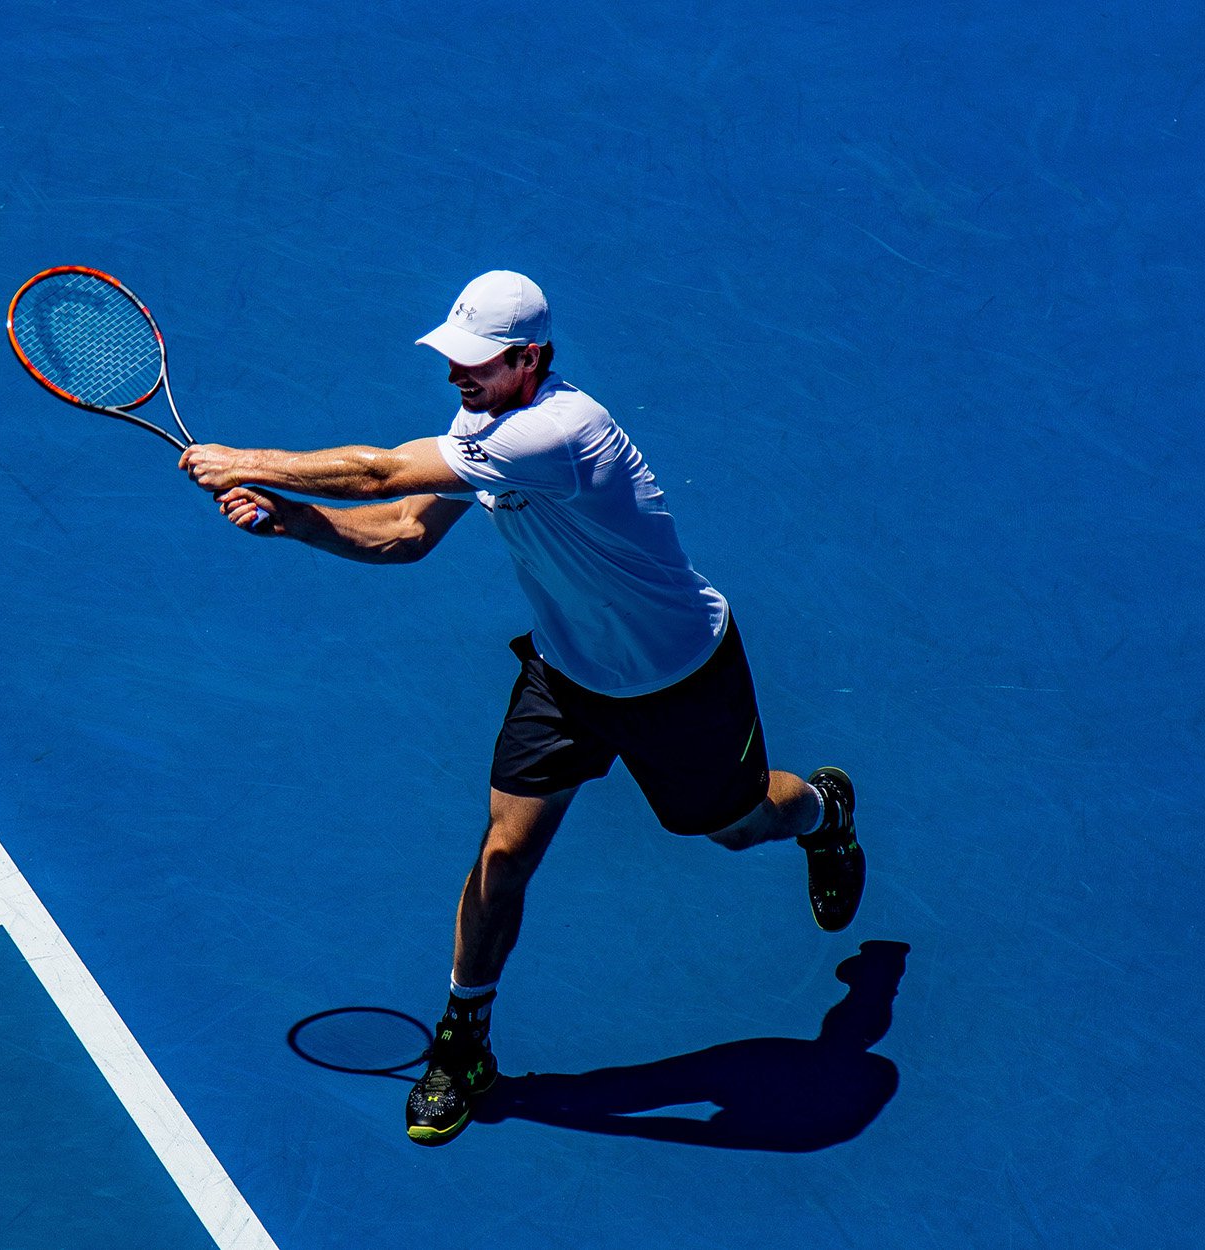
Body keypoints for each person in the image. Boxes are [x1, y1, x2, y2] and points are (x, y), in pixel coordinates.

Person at [178, 271, 865, 1147]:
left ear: (530, 358)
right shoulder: (484, 423)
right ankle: (464, 1040)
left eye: (475, 362)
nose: (456, 375)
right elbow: (405, 530)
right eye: (451, 358)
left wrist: (244, 461)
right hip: (567, 676)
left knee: (732, 826)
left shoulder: (558, 432)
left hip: (680, 678)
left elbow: (381, 471)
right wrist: (296, 521)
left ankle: (823, 811)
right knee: (504, 853)